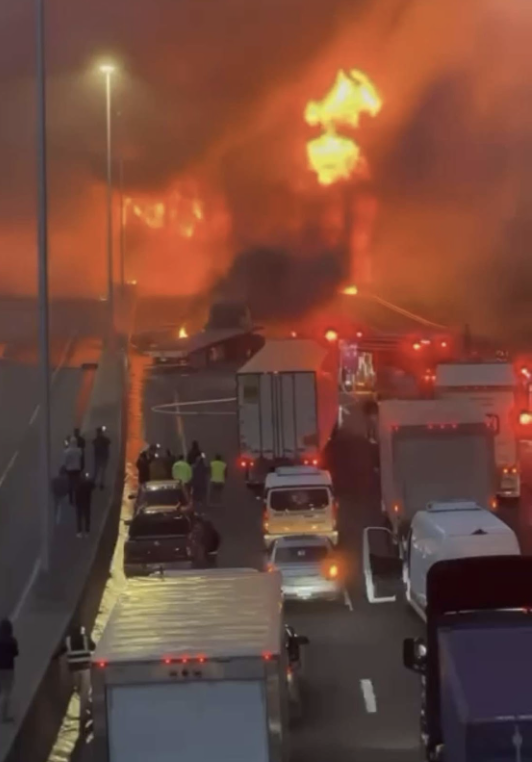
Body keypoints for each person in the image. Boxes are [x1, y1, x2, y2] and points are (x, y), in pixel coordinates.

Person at [58, 624, 95, 733]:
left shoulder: (68, 640)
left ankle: (82, 716)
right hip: (85, 669)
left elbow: (62, 651)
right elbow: (93, 647)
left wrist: (53, 657)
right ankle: (90, 707)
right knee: (83, 691)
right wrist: (88, 637)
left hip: (75, 670)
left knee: (80, 690)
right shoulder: (85, 639)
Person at [0, 618, 18, 723]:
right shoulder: (12, 641)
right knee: (6, 693)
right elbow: (15, 653)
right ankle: (3, 716)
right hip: (8, 669)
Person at [75, 473, 95, 538]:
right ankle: (87, 531)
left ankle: (79, 532)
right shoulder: (88, 485)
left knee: (79, 518)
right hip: (87, 503)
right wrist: (89, 479)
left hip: (79, 504)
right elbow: (93, 486)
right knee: (87, 518)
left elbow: (76, 495)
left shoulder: (78, 485)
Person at [64, 437, 83, 504]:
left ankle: (71, 499)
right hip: (77, 469)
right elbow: (80, 459)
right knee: (77, 484)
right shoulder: (79, 450)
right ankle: (77, 498)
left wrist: (65, 467)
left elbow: (65, 461)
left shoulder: (67, 451)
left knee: (70, 484)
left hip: (69, 469)